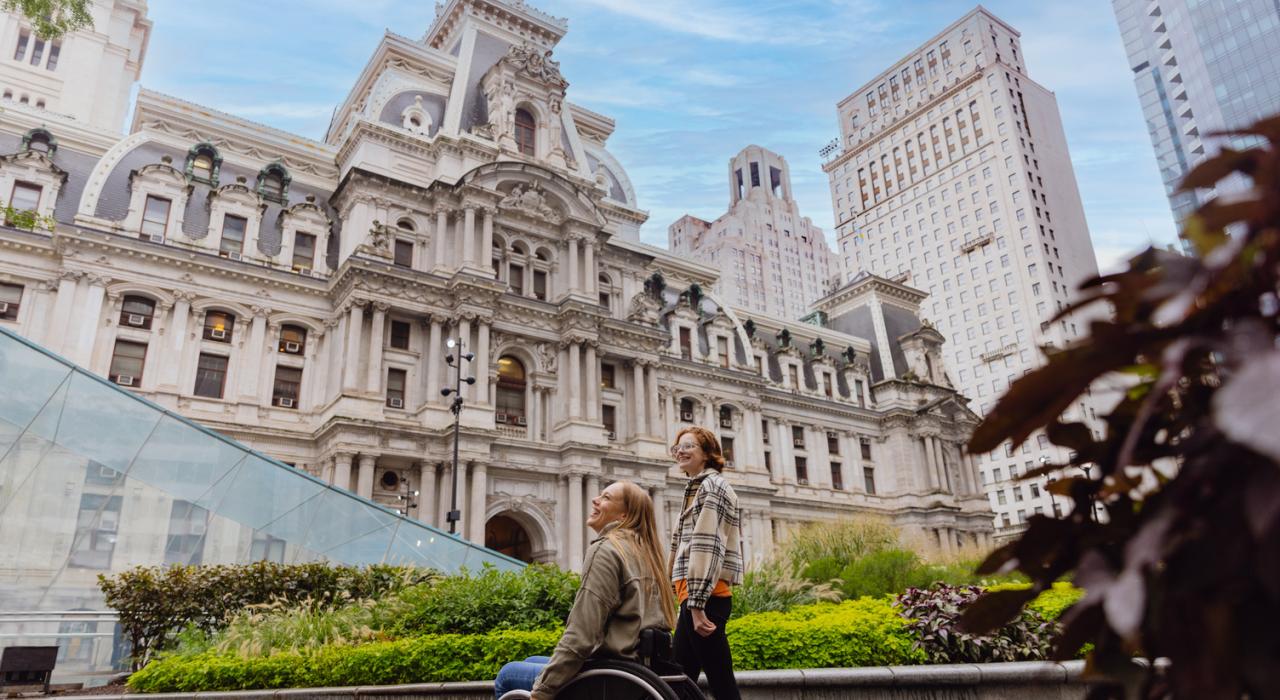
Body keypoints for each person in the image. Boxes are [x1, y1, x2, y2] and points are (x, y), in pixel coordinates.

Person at [493, 480, 675, 700]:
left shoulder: (607, 550)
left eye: (606, 498)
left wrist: (542, 691)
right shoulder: (647, 552)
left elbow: (581, 635)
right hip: (641, 673)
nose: (595, 500)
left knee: (508, 674)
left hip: (611, 678)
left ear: (624, 516)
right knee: (532, 661)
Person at [668, 426, 743, 700]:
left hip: (706, 598)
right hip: (696, 596)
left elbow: (706, 544)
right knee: (680, 679)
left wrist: (697, 605)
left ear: (707, 454)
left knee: (719, 682)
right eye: (678, 447)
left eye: (689, 446)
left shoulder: (713, 486)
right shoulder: (696, 486)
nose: (680, 451)